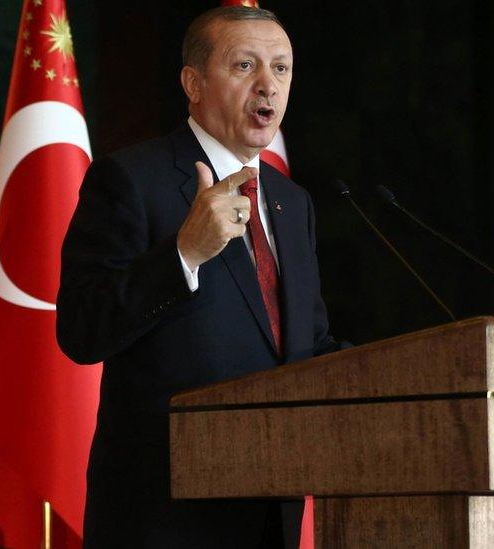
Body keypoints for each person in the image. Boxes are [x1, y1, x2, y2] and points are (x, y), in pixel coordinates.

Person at [56, 7, 343, 548]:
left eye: (281, 69)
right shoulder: (130, 179)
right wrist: (184, 254)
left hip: (271, 511)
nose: (269, 85)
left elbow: (308, 345)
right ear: (193, 82)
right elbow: (81, 329)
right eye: (245, 65)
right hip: (164, 517)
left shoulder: (291, 202)